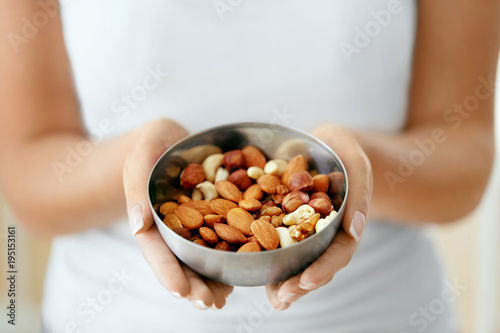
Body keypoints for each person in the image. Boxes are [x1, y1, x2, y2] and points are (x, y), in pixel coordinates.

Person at [0, 0, 498, 332]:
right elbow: (27, 171)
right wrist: (138, 168)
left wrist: (356, 170)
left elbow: (464, 153)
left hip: (382, 314)